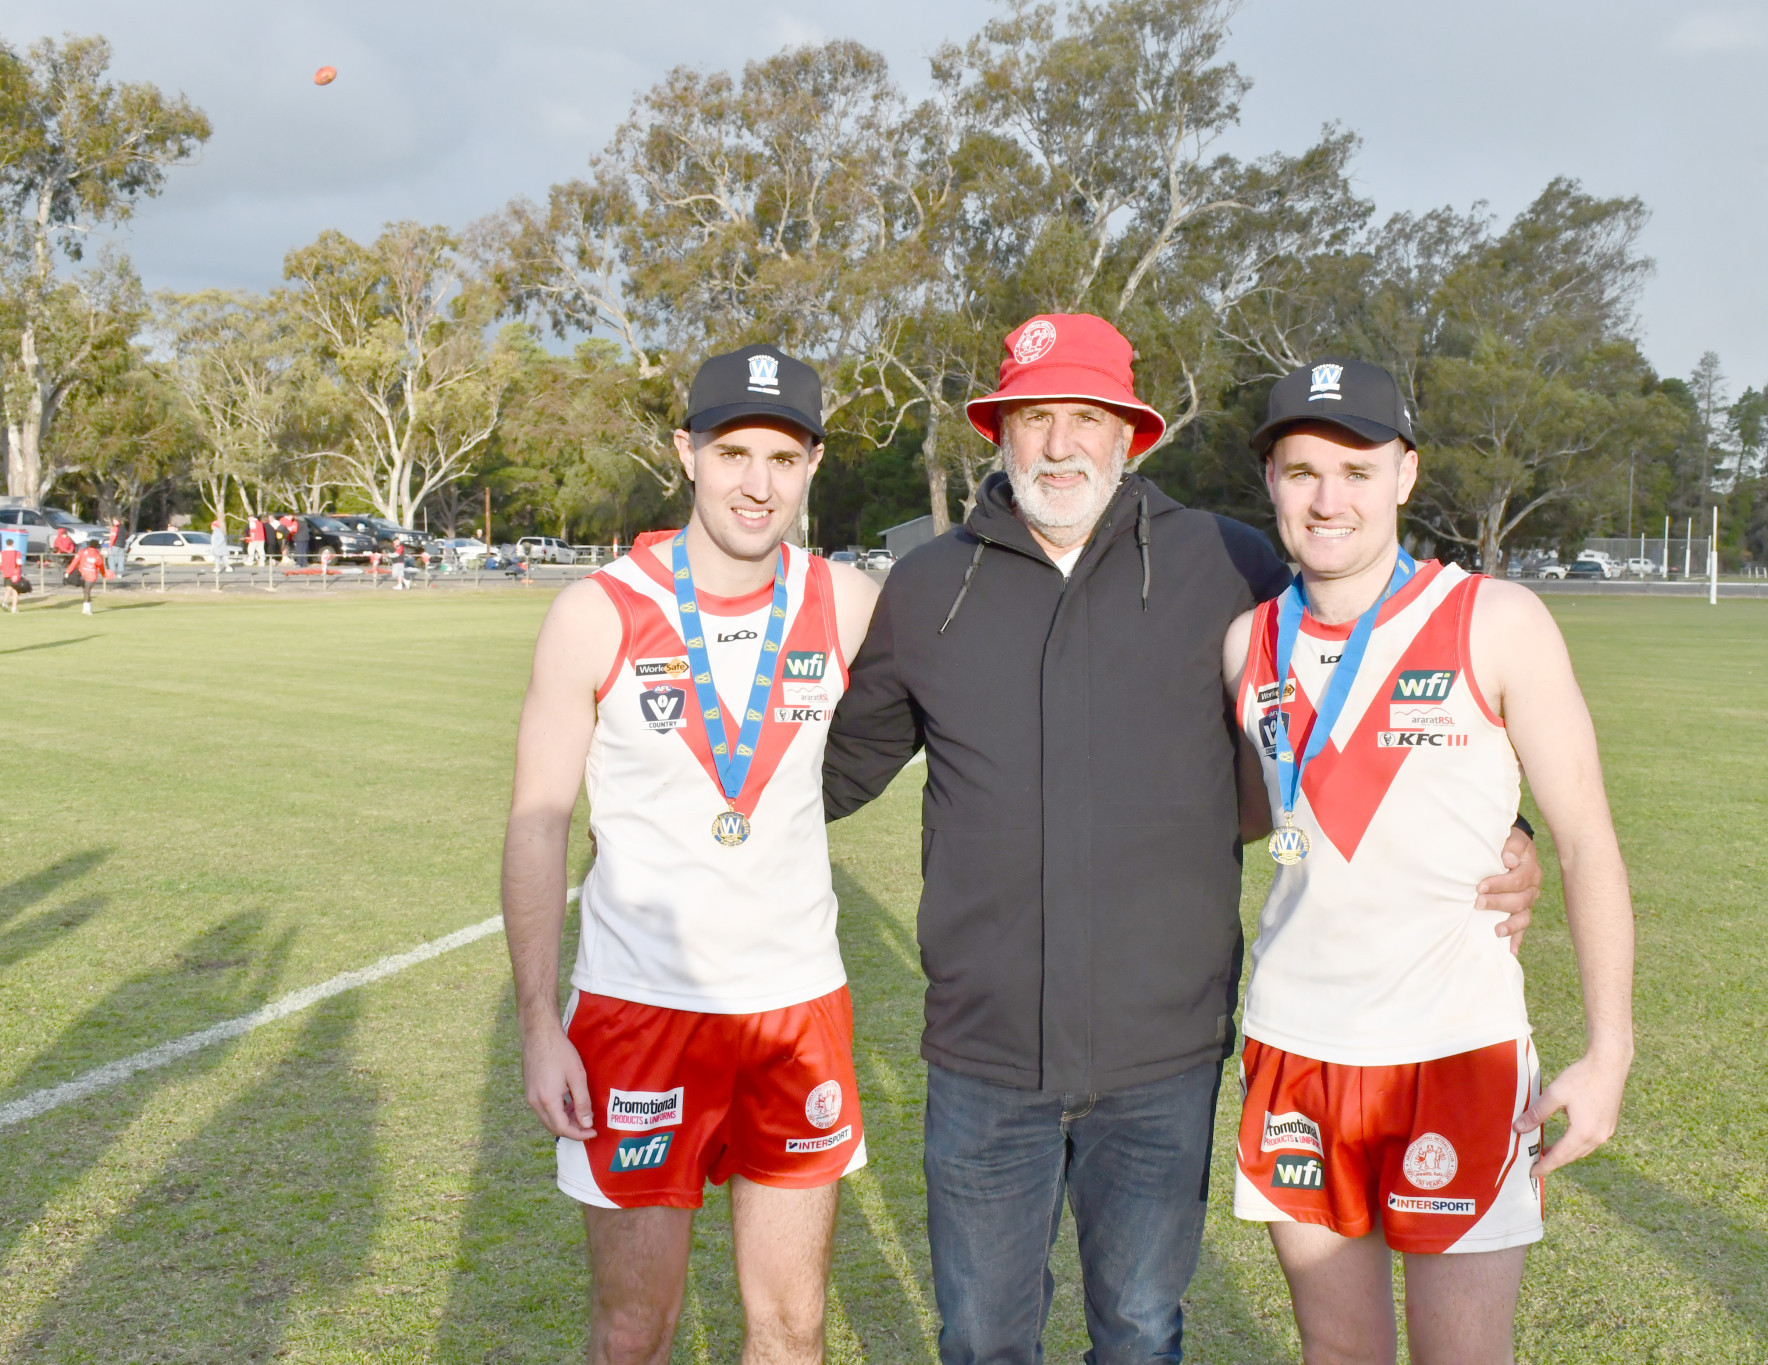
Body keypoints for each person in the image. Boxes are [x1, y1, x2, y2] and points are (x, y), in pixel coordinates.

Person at [820, 314, 1543, 1365]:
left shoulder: (1225, 561)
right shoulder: (932, 585)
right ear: (997, 433)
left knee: (1141, 1330)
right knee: (979, 1339)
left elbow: (1360, 694)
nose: (1058, 445)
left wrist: (1503, 827)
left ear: (1130, 435)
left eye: (1084, 418)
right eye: (1032, 419)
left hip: (1160, 1053)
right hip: (980, 1050)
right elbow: (834, 774)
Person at [1222, 360, 1635, 1364]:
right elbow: (1262, 818)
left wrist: (1608, 1049)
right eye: (1300, 470)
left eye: (1357, 471)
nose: (1328, 499)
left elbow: (1582, 840)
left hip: (1455, 1052)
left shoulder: (1495, 620)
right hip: (1294, 1051)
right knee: (1338, 1354)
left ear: (1404, 475)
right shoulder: (1245, 644)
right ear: (1270, 482)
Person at [503, 345, 881, 1365]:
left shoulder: (846, 604)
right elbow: (538, 821)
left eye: (784, 458)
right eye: (733, 453)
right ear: (686, 454)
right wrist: (541, 1025)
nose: (757, 483)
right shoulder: (596, 613)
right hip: (636, 1012)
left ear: (811, 466)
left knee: (791, 1325)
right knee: (634, 1329)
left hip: (796, 1007)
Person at [67, 538, 108, 615]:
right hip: (91, 575)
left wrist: (68, 572)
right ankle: (87, 608)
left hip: (82, 573)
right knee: (87, 591)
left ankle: (86, 607)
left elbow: (74, 562)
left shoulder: (82, 552)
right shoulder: (98, 556)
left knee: (86, 591)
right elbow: (101, 566)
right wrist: (104, 574)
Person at [1, 530, 27, 613]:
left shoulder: (2, 553)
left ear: (6, 544)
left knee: (8, 588)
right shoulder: (16, 553)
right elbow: (19, 563)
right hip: (15, 574)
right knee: (15, 591)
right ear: (13, 544)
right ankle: (14, 608)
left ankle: (4, 601)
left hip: (6, 573)